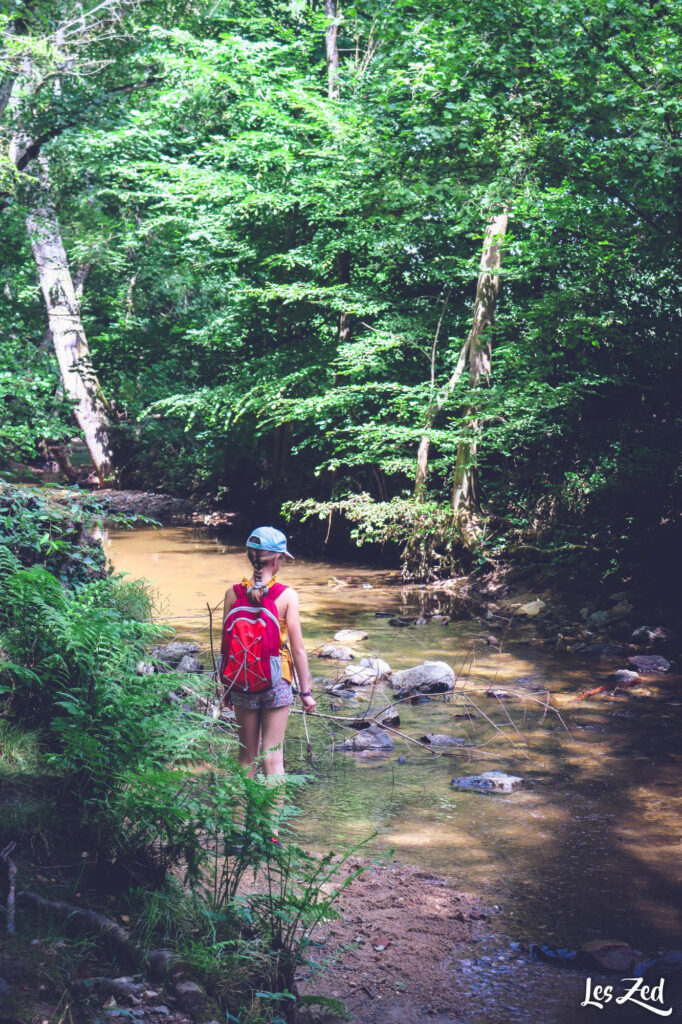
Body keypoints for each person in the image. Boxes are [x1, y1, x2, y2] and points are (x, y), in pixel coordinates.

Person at [221, 526, 316, 796]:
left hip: (241, 682)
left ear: (251, 557)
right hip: (277, 682)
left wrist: (225, 686)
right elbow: (298, 649)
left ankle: (238, 832)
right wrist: (306, 693)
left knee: (245, 758)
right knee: (273, 759)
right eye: (283, 558)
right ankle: (271, 835)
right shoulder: (287, 596)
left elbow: (226, 647)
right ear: (276, 560)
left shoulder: (232, 593)